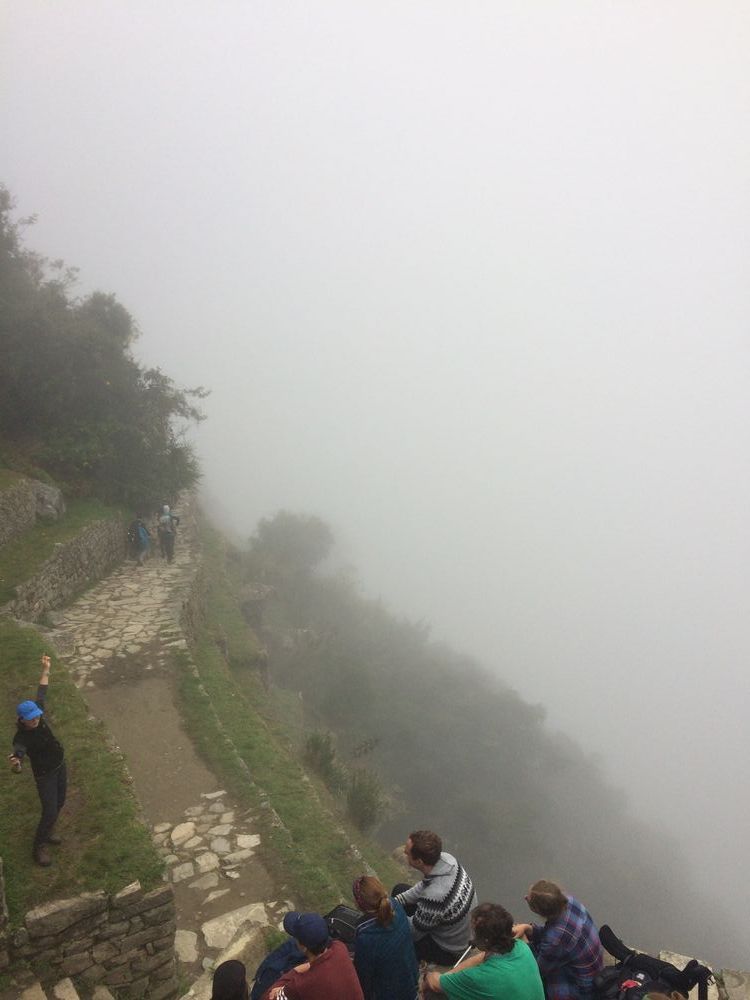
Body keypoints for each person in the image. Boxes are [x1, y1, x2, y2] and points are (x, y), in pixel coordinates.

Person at [9, 654, 67, 867]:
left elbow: (42, 690)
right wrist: (17, 764)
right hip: (45, 774)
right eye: (31, 718)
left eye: (37, 716)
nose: (36, 720)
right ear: (22, 719)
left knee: (60, 802)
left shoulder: (37, 713)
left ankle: (49, 829)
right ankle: (39, 846)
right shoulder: (22, 737)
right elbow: (19, 754)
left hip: (60, 764)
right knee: (50, 809)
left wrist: (46, 669)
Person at [422, 902, 545, 1000]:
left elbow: (434, 983)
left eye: (474, 931)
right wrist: (452, 974)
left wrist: (428, 975)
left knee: (431, 993)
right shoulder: (521, 947)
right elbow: (481, 957)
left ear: (485, 940)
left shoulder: (478, 977)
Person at [393, 829, 477, 965]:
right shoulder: (448, 861)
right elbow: (425, 884)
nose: (404, 853)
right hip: (456, 930)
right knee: (399, 891)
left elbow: (413, 932)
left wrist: (386, 913)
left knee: (397, 938)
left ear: (419, 861)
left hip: (448, 949)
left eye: (407, 853)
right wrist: (396, 901)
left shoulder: (435, 896)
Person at [513, 880, 604, 1000]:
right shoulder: (569, 901)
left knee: (528, 978)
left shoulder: (555, 938)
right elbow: (553, 932)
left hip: (583, 988)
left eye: (528, 899)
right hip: (593, 969)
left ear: (537, 910)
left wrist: (525, 943)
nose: (525, 897)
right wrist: (529, 929)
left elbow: (536, 969)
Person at [263, 911, 364, 1000]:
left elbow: (268, 997)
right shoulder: (340, 948)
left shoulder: (302, 984)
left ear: (303, 947)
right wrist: (309, 966)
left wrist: (294, 972)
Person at [352, 874, 419, 1000]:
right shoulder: (396, 905)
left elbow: (363, 976)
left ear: (359, 904)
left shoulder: (365, 934)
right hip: (412, 981)